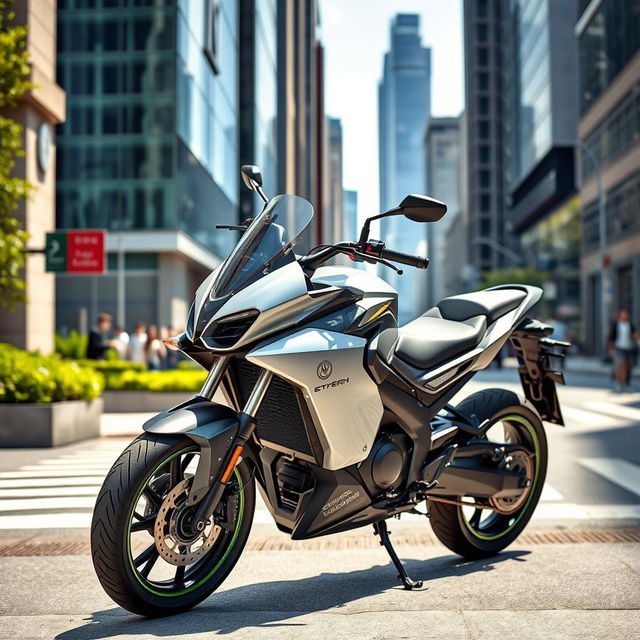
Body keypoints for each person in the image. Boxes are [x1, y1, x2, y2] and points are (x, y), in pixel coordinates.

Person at [608, 308, 639, 393]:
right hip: (619, 348)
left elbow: (634, 335)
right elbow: (612, 338)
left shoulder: (630, 324)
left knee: (628, 367)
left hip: (629, 348)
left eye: (626, 314)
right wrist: (611, 349)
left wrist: (636, 337)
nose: (624, 315)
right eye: (623, 314)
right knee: (620, 365)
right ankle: (619, 384)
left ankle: (627, 384)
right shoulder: (616, 325)